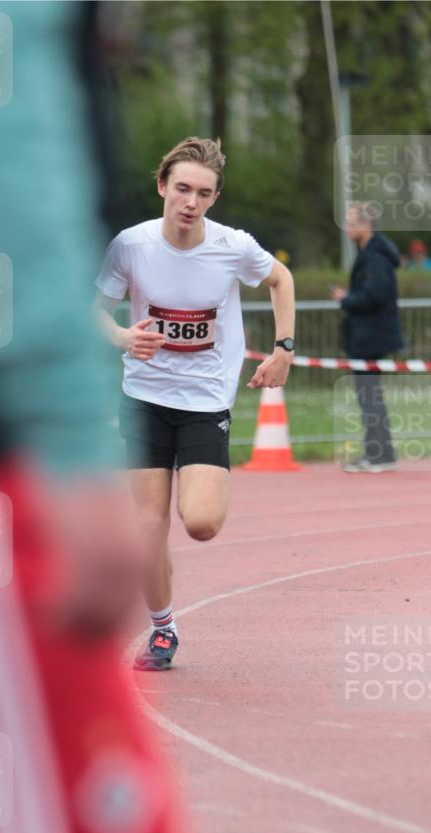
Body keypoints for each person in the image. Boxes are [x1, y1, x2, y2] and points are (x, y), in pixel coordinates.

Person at [96, 136, 295, 670]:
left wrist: (284, 348)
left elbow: (280, 278)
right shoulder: (130, 246)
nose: (191, 202)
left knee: (202, 522)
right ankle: (163, 629)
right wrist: (123, 337)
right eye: (182, 189)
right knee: (147, 528)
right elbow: (93, 310)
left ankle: (196, 509)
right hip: (144, 397)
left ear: (215, 197)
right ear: (162, 186)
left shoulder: (233, 246)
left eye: (203, 193)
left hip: (205, 401)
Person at [330, 202, 405, 473]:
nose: (347, 228)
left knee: (370, 397)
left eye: (351, 223)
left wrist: (346, 300)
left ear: (366, 225)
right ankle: (383, 452)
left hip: (371, 337)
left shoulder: (376, 257)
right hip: (365, 335)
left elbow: (375, 295)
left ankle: (378, 455)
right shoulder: (370, 254)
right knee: (370, 397)